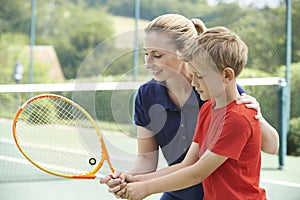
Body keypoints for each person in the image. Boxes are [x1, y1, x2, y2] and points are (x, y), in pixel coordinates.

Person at [100, 14, 279, 200]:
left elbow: (270, 145)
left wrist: (257, 115)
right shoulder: (152, 96)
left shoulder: (221, 95)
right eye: (146, 53)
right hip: (178, 191)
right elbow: (179, 164)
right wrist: (132, 180)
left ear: (184, 50)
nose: (147, 63)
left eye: (157, 55)